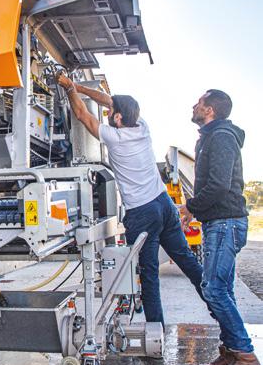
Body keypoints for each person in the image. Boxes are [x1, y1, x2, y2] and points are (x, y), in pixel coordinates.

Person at [56, 74, 205, 329]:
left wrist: (70, 89)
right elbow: (109, 100)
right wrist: (78, 86)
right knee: (188, 262)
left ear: (117, 118)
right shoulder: (142, 127)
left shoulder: (114, 137)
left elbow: (82, 115)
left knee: (149, 275)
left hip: (142, 213)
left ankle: (156, 333)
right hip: (164, 204)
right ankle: (223, 312)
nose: (107, 111)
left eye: (110, 112)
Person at [180, 89, 262, 365]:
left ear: (210, 109)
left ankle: (246, 355)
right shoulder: (211, 137)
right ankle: (230, 352)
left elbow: (219, 185)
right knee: (222, 289)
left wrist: (191, 206)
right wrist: (196, 211)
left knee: (214, 289)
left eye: (199, 102)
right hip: (218, 222)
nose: (194, 105)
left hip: (226, 223)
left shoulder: (222, 137)